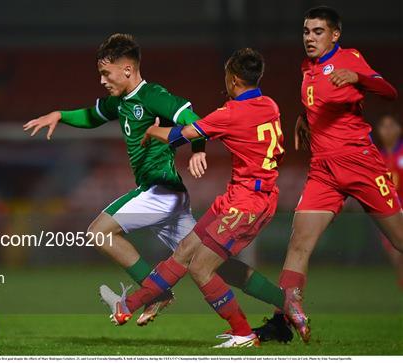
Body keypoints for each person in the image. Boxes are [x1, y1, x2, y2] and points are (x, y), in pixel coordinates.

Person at [24, 34, 287, 328]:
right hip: (170, 197)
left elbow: (192, 117)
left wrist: (198, 150)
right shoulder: (120, 102)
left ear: (127, 70)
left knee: (99, 231)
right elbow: (91, 116)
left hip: (160, 190)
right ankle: (287, 303)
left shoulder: (153, 95)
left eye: (105, 73)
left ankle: (156, 295)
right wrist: (59, 115)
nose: (102, 80)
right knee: (216, 267)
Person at [99, 48, 285, 348]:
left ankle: (245, 330)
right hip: (243, 196)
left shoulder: (231, 111)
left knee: (200, 267)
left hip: (246, 200)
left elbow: (185, 131)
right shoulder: (270, 105)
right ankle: (127, 307)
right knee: (191, 254)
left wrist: (154, 131)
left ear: (234, 79)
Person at [253, 6, 401, 344]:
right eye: (306, 31)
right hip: (323, 170)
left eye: (317, 32)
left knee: (399, 240)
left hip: (361, 163)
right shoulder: (308, 69)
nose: (309, 37)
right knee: (299, 241)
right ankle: (280, 323)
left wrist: (358, 78)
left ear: (334, 35)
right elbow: (319, 102)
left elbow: (388, 90)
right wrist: (305, 120)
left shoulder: (349, 58)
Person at [375, 115, 403, 289]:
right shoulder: (377, 158)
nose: (388, 129)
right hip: (388, 214)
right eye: (384, 126)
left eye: (392, 125)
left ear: (399, 129)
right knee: (396, 257)